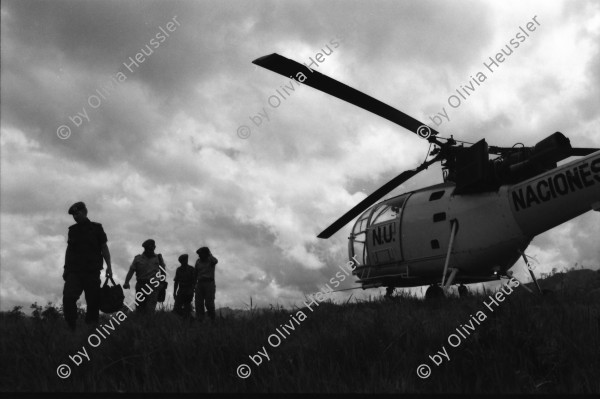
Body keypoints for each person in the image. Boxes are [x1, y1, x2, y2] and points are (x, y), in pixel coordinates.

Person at [62, 201, 113, 331]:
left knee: (93, 302)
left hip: (92, 272)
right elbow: (69, 251)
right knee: (68, 298)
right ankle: (71, 327)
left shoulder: (97, 228)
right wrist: (66, 269)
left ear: (85, 212)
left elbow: (104, 248)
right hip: (74, 272)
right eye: (73, 215)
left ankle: (91, 329)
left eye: (77, 213)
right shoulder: (72, 231)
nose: (75, 216)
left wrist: (109, 267)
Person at [123, 239, 166, 313]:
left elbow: (163, 271)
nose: (150, 250)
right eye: (148, 249)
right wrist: (126, 282)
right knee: (140, 309)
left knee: (150, 309)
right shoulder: (138, 258)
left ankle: (150, 323)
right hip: (141, 285)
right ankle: (140, 323)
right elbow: (131, 271)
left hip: (153, 286)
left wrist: (162, 283)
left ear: (154, 248)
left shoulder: (158, 258)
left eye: (151, 248)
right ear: (145, 248)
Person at [194, 247, 218, 321]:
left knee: (209, 303)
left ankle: (212, 319)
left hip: (209, 283)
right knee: (198, 303)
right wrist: (195, 284)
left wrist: (209, 254)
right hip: (200, 284)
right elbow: (195, 273)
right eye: (198, 254)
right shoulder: (198, 262)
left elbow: (215, 261)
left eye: (201, 254)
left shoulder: (211, 260)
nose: (199, 255)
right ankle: (200, 319)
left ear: (206, 253)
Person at [173, 254, 196, 318]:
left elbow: (194, 281)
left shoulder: (191, 269)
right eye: (183, 260)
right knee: (177, 307)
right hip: (181, 290)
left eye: (185, 260)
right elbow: (176, 281)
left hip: (189, 290)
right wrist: (174, 292)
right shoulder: (179, 269)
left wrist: (192, 290)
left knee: (187, 307)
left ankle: (188, 321)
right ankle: (180, 319)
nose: (185, 261)